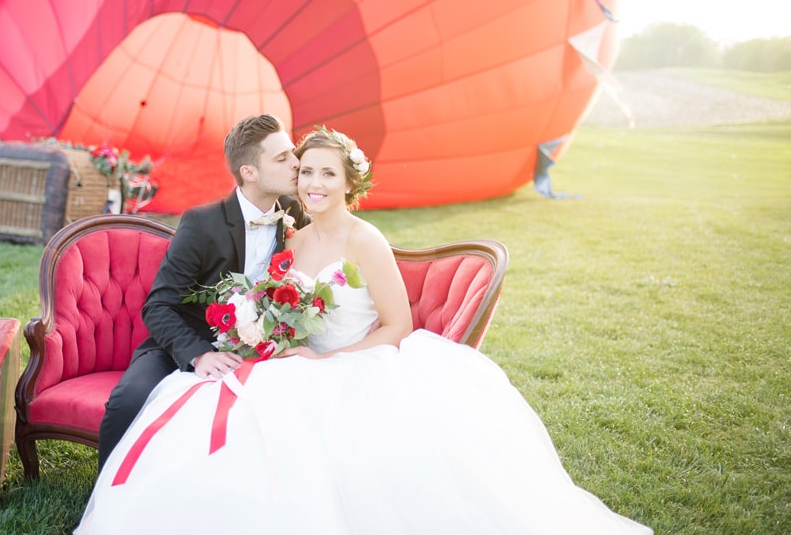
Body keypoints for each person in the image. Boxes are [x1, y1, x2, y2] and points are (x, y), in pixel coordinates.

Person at [78, 127, 653, 534]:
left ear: (350, 183)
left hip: (356, 360)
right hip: (289, 359)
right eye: (305, 171)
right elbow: (265, 303)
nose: (312, 182)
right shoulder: (293, 238)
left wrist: (332, 360)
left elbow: (399, 323)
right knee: (212, 416)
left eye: (326, 173)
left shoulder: (365, 239)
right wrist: (277, 340)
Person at [96, 114, 308, 469]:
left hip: (264, 350)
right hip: (187, 341)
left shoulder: (292, 212)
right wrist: (198, 356)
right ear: (249, 172)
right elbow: (159, 305)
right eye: (282, 157)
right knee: (128, 401)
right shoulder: (201, 223)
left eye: (293, 153)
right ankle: (104, 504)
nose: (296, 163)